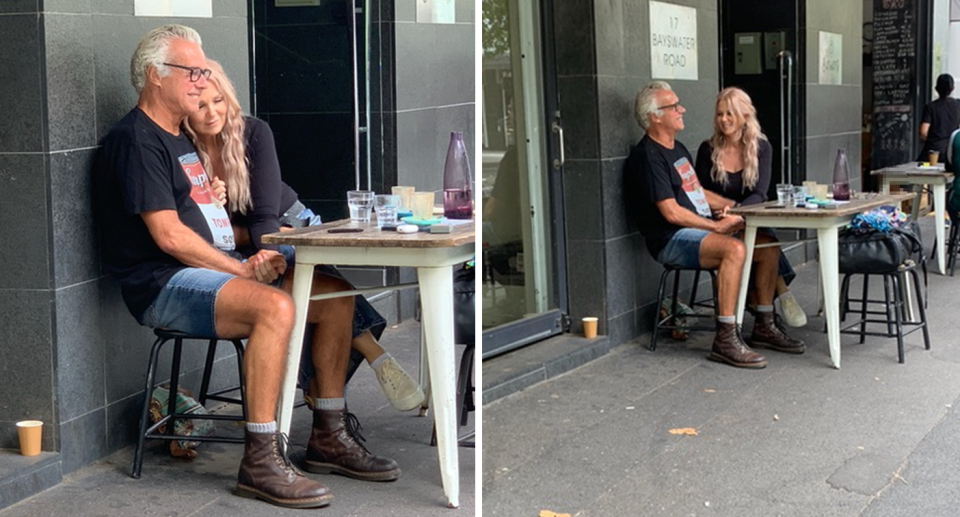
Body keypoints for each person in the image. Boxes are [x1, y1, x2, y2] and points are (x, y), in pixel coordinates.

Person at [94, 25, 395, 510]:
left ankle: (328, 435)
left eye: (202, 70)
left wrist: (241, 246)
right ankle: (260, 459)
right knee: (274, 308)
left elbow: (209, 213)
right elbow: (168, 237)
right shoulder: (137, 139)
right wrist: (240, 271)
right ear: (155, 76)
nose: (200, 79)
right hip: (162, 282)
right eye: (190, 71)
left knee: (334, 297)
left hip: (215, 267)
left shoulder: (179, 137)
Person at [181, 59, 425, 413]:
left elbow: (266, 216)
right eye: (200, 105)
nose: (211, 113)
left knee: (301, 268)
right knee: (319, 292)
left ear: (229, 98)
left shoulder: (252, 133)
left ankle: (320, 389)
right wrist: (219, 210)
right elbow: (206, 230)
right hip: (246, 241)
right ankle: (371, 357)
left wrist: (268, 240)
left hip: (286, 221)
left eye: (218, 101)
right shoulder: (182, 150)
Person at [624, 81, 803, 369]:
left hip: (696, 228)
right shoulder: (648, 156)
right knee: (732, 250)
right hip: (671, 238)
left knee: (767, 246)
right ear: (655, 116)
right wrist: (717, 228)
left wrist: (731, 211)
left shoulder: (676, 147)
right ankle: (725, 339)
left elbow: (698, 191)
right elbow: (671, 212)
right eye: (674, 106)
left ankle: (763, 324)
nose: (682, 109)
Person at [694, 87, 807, 328]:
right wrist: (721, 213)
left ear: (745, 116)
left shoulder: (761, 147)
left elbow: (760, 193)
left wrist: (737, 213)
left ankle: (761, 309)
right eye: (719, 114)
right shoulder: (707, 150)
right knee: (766, 243)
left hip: (747, 218)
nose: (723, 120)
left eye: (730, 114)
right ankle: (780, 292)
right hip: (715, 222)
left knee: (763, 238)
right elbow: (698, 193)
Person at [918, 74, 960, 161]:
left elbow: (923, 133)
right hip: (951, 152)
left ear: (936, 89)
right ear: (952, 89)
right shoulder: (958, 105)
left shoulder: (930, 107)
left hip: (933, 154)